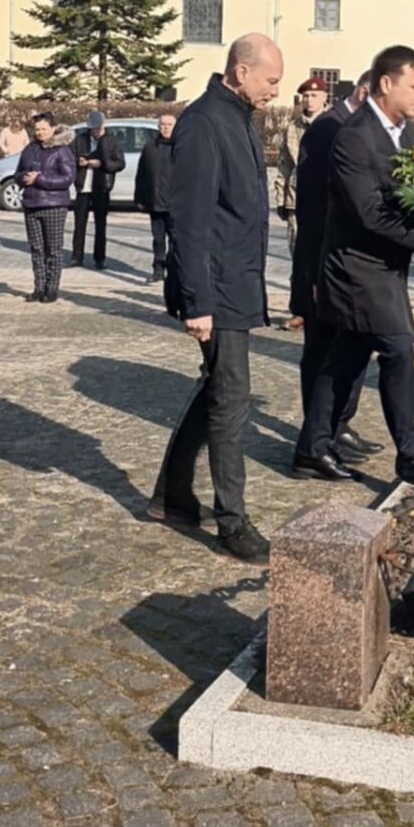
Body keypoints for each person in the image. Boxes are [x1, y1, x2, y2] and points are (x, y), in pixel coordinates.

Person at [295, 44, 414, 488]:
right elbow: (368, 212)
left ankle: (311, 448)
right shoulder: (353, 136)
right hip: (355, 269)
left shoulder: (403, 133)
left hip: (384, 267)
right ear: (386, 84)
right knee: (398, 349)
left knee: (346, 359)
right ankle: (410, 457)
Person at [150, 34, 282, 561]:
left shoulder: (238, 116)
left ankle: (173, 497)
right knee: (231, 401)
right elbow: (190, 220)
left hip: (236, 283)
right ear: (242, 71)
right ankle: (232, 521)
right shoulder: (205, 122)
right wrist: (197, 300)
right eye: (271, 80)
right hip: (216, 289)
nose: (277, 89)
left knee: (217, 393)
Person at [288, 71, 380, 469]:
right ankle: (317, 435)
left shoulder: (360, 128)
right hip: (323, 266)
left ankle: (338, 424)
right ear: (366, 93)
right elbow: (312, 213)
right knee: (323, 353)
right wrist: (312, 275)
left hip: (352, 267)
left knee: (353, 348)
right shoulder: (327, 131)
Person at [18, 112, 77, 303]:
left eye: (43, 129)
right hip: (31, 204)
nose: (40, 133)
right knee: (36, 248)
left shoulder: (62, 150)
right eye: (37, 129)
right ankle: (39, 287)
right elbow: (17, 173)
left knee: (53, 249)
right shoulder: (30, 149)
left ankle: (52, 289)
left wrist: (40, 179)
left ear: (53, 128)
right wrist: (23, 179)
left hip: (54, 205)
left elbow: (67, 178)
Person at [277, 76, 330, 267]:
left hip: (325, 198)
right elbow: (284, 164)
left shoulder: (333, 123)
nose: (309, 99)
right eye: (305, 96)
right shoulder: (293, 127)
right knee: (298, 252)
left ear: (324, 97)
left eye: (314, 95)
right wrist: (281, 199)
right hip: (296, 197)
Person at [71, 110, 125, 270]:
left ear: (103, 126)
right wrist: (78, 161)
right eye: (92, 129)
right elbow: (68, 157)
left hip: (101, 187)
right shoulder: (80, 139)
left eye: (97, 129)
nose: (94, 132)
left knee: (100, 225)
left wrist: (102, 164)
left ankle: (99, 258)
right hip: (83, 186)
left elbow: (120, 163)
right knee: (79, 224)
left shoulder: (111, 140)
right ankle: (76, 256)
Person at [135, 111, 177, 284]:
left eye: (168, 125)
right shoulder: (150, 147)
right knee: (158, 240)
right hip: (155, 202)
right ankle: (158, 271)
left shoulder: (181, 147)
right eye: (162, 125)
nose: (165, 128)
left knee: (176, 241)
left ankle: (174, 271)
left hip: (176, 204)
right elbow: (142, 174)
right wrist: (139, 198)